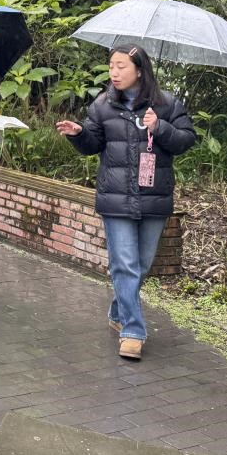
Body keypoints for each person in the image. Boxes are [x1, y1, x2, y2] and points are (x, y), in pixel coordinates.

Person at [56, 45, 196, 359]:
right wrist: (79, 134)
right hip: (116, 198)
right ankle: (133, 331)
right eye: (111, 66)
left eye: (121, 66)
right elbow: (92, 144)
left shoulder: (167, 104)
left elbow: (186, 140)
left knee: (142, 265)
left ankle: (119, 311)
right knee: (125, 265)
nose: (114, 73)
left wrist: (160, 127)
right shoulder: (103, 104)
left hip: (154, 197)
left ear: (140, 70)